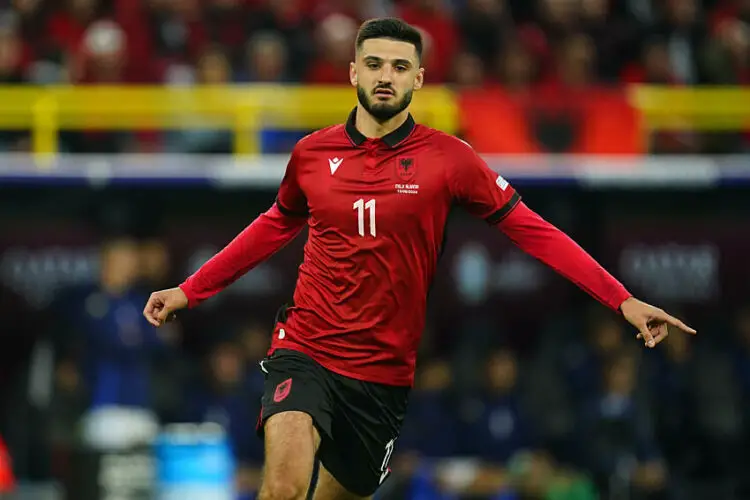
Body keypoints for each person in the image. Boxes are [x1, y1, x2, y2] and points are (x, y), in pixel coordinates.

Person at [143, 18, 696, 500]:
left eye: (400, 66)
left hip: (383, 373)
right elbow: (272, 227)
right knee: (283, 488)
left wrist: (620, 299)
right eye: (375, 64)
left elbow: (534, 232)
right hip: (305, 348)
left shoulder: (450, 160)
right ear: (354, 74)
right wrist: (189, 290)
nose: (387, 75)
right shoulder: (311, 154)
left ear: (418, 79)